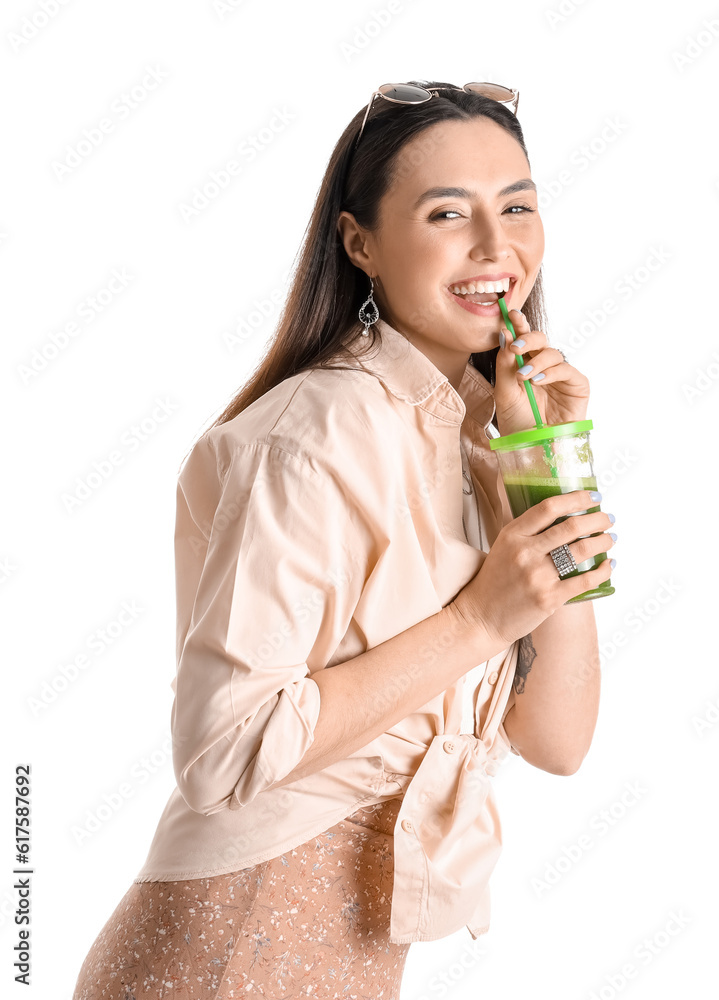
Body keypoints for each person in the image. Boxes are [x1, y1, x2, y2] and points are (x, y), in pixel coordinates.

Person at [71, 80, 617, 999]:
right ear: (359, 241)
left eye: (517, 205)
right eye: (449, 212)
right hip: (223, 959)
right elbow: (221, 751)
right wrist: (481, 620)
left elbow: (557, 739)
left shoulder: (479, 438)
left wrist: (543, 458)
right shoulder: (315, 433)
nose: (497, 247)